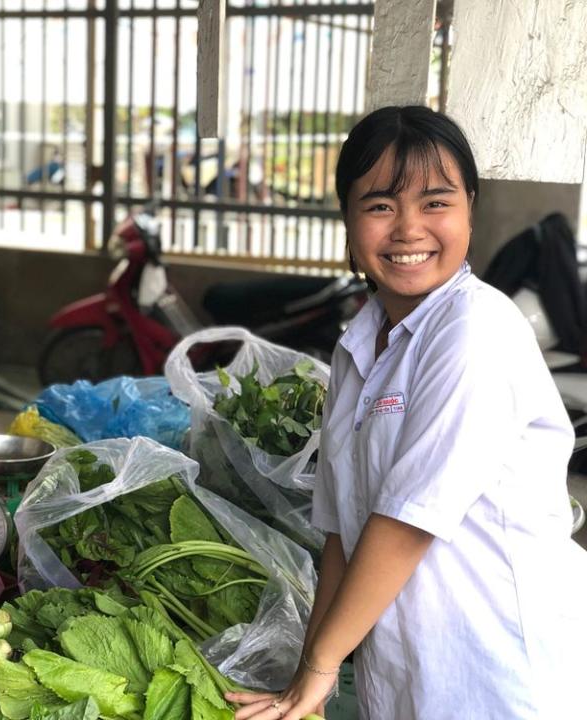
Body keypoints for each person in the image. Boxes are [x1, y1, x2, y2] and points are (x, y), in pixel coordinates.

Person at [227, 106, 587, 719]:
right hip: (407, 670)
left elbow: (406, 522)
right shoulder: (359, 344)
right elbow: (343, 533)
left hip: (500, 669)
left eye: (436, 203)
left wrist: (317, 669)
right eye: (380, 206)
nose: (408, 229)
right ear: (348, 220)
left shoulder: (476, 329)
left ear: (470, 207)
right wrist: (310, 675)